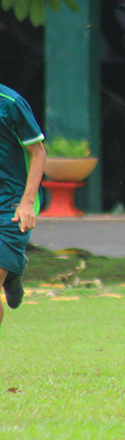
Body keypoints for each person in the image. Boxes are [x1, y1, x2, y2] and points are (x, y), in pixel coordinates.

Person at [0, 84, 46, 333]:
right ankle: (12, 271)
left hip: (12, 202)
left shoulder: (10, 103)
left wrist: (27, 202)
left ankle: (11, 268)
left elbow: (37, 151)